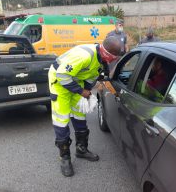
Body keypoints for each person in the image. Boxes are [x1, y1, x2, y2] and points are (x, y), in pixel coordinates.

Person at [48, 36, 121, 177]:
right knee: (61, 118)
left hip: (76, 80)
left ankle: (81, 149)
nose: (114, 60)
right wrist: (81, 91)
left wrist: (87, 93)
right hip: (59, 81)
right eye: (114, 58)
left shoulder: (101, 59)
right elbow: (62, 75)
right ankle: (65, 158)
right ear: (107, 54)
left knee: (79, 114)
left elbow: (91, 76)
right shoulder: (84, 56)